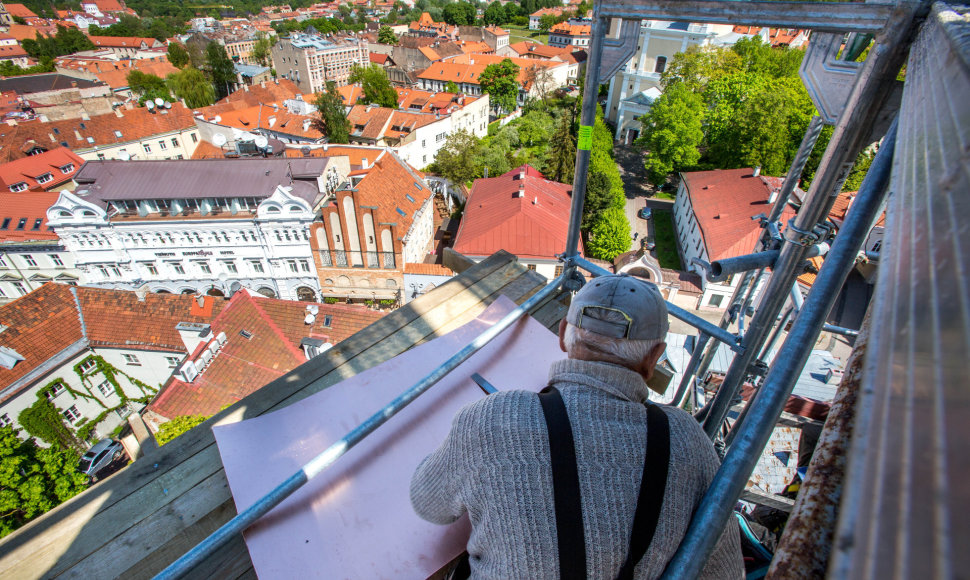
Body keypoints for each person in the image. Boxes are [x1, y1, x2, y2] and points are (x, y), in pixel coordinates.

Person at [410, 274, 744, 579]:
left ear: (561, 336)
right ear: (654, 356)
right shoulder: (687, 441)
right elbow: (725, 573)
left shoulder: (492, 418)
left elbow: (428, 504)